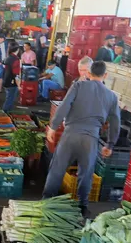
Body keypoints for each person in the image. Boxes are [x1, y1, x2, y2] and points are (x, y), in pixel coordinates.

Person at [42, 61, 121, 216]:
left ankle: (46, 202)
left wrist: (53, 126)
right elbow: (115, 122)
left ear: (88, 74)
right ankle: (82, 207)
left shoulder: (78, 86)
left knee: (57, 169)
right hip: (90, 139)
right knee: (86, 172)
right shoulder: (111, 96)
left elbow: (64, 106)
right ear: (105, 75)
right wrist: (110, 144)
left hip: (70, 134)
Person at [2, 43, 22, 112]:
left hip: (5, 80)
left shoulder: (7, 57)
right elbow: (16, 74)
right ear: (18, 50)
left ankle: (7, 113)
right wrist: (19, 85)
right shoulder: (16, 60)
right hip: (12, 83)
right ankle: (5, 114)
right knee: (10, 99)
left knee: (9, 98)